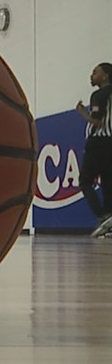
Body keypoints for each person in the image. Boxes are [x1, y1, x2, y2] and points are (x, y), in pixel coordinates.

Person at [77, 62, 112, 238]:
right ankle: (109, 223)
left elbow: (97, 121)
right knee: (108, 183)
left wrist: (82, 112)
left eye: (95, 72)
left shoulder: (98, 94)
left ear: (105, 75)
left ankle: (102, 216)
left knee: (85, 181)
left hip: (98, 142)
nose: (92, 75)